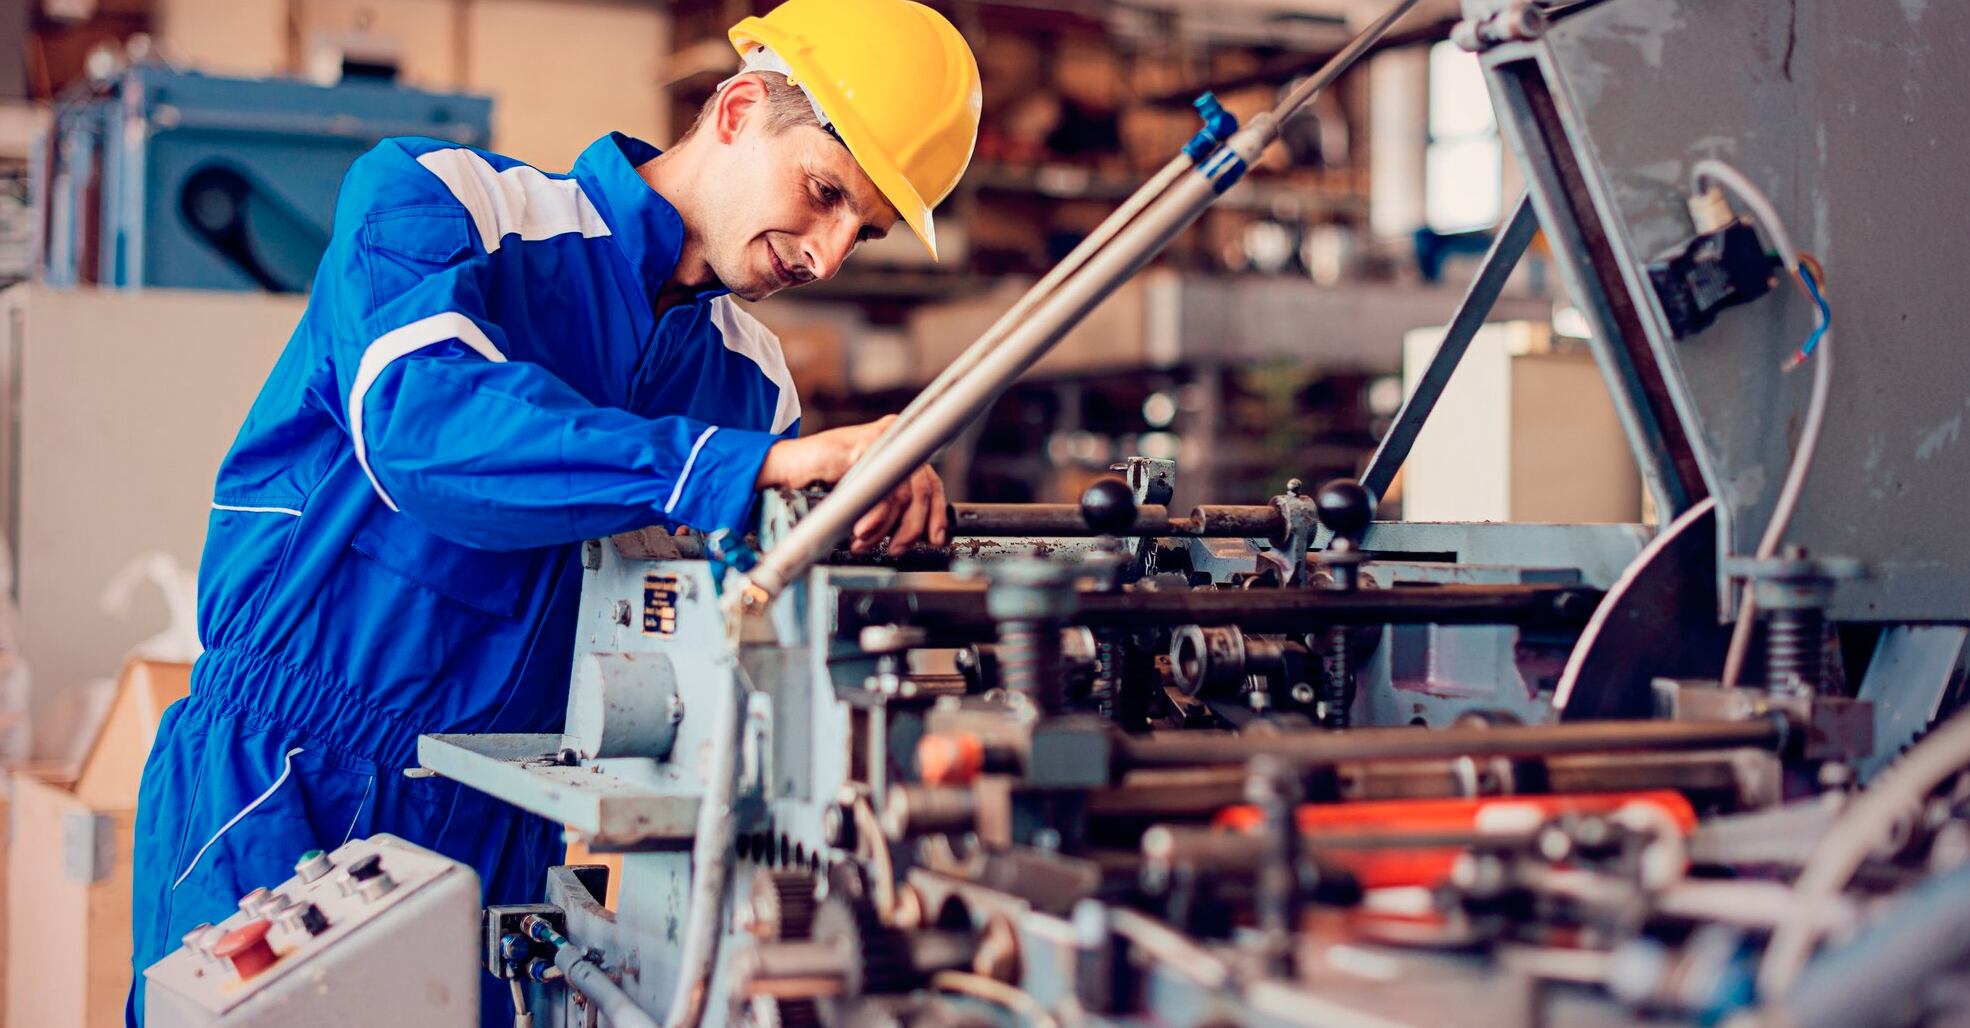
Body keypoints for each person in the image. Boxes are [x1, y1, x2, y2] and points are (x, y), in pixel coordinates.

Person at [126, 0, 981, 1022]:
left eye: (862, 231)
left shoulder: (754, 387)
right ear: (739, 108)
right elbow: (425, 428)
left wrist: (867, 521)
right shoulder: (447, 200)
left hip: (510, 828)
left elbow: (745, 632)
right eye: (824, 193)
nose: (828, 255)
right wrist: (735, 465)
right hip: (290, 780)